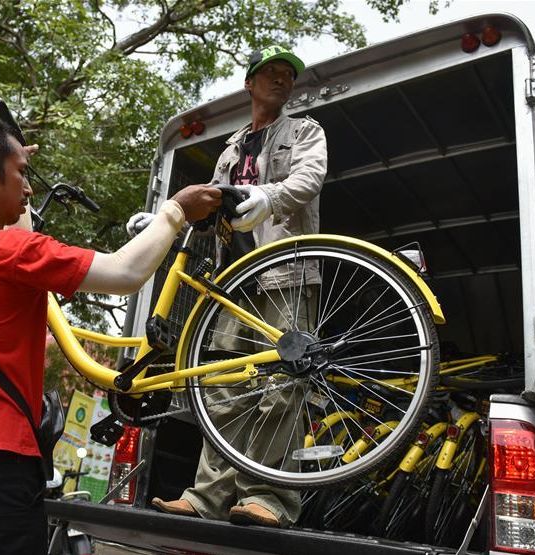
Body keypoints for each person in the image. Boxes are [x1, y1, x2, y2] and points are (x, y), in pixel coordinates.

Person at [0, 115, 221, 555]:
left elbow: (7, 232)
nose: (29, 187)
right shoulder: (10, 253)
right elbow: (125, 272)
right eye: (21, 173)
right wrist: (175, 210)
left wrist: (14, 161)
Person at [138, 45, 328, 528]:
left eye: (289, 74)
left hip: (285, 270)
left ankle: (269, 498)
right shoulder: (230, 149)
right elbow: (208, 212)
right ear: (250, 82)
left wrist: (270, 194)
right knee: (222, 387)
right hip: (231, 283)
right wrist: (165, 220)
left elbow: (310, 176)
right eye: (272, 72)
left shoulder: (304, 130)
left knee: (283, 383)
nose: (282, 79)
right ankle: (206, 498)